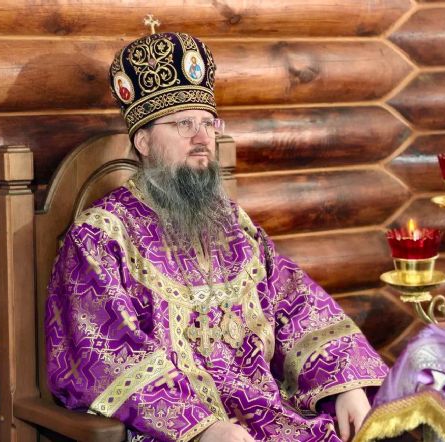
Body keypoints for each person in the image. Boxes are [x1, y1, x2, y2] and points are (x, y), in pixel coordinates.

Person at [46, 30, 388, 442]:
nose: (202, 137)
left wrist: (345, 385)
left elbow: (295, 302)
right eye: (184, 124)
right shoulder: (100, 238)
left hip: (270, 418)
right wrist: (203, 428)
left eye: (208, 123)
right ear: (144, 141)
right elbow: (107, 356)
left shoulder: (231, 223)